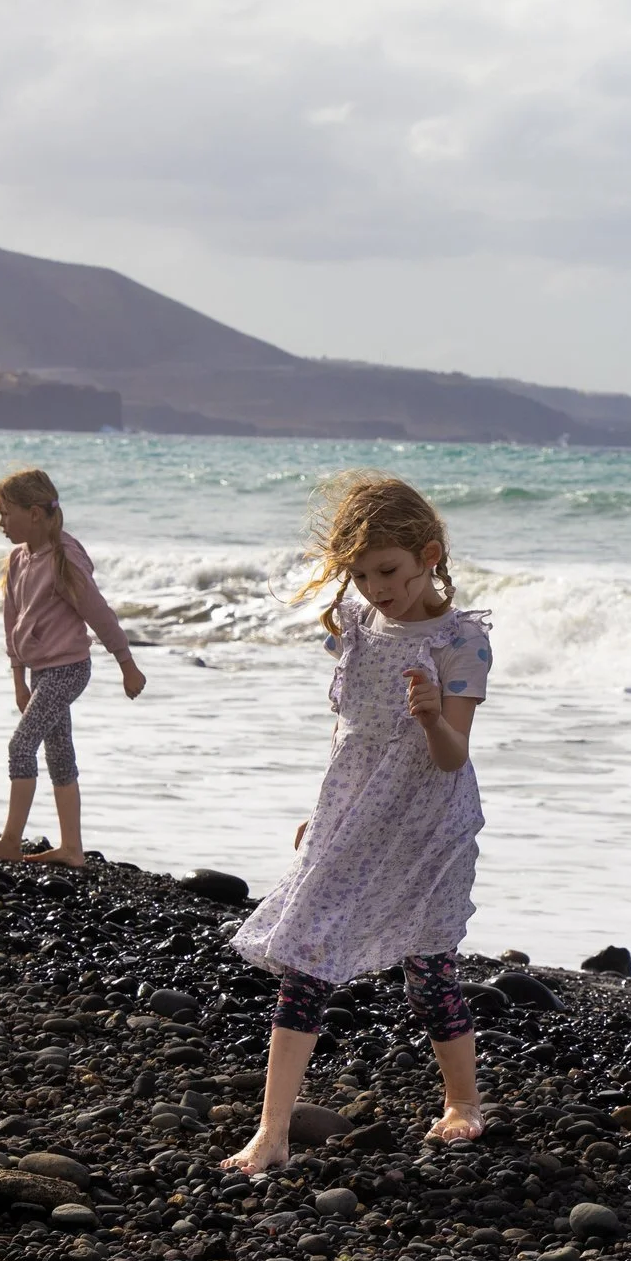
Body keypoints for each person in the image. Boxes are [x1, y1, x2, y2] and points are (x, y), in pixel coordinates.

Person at [222, 473, 493, 1173]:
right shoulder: (357, 627)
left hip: (432, 823)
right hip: (355, 818)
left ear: (429, 554)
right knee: (306, 958)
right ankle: (272, 1131)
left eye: (389, 571)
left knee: (430, 968)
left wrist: (434, 714)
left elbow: (450, 756)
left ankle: (462, 1101)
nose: (375, 587)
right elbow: (347, 741)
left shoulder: (462, 642)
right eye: (361, 573)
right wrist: (323, 817)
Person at [0, 468, 145, 867]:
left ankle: (11, 840)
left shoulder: (65, 558)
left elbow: (99, 614)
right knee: (59, 755)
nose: (1, 523)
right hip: (39, 671)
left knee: (21, 746)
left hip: (69, 669)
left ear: (34, 513)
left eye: (6, 512)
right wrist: (18, 678)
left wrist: (127, 664)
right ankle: (72, 849)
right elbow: (11, 619)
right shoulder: (17, 559)